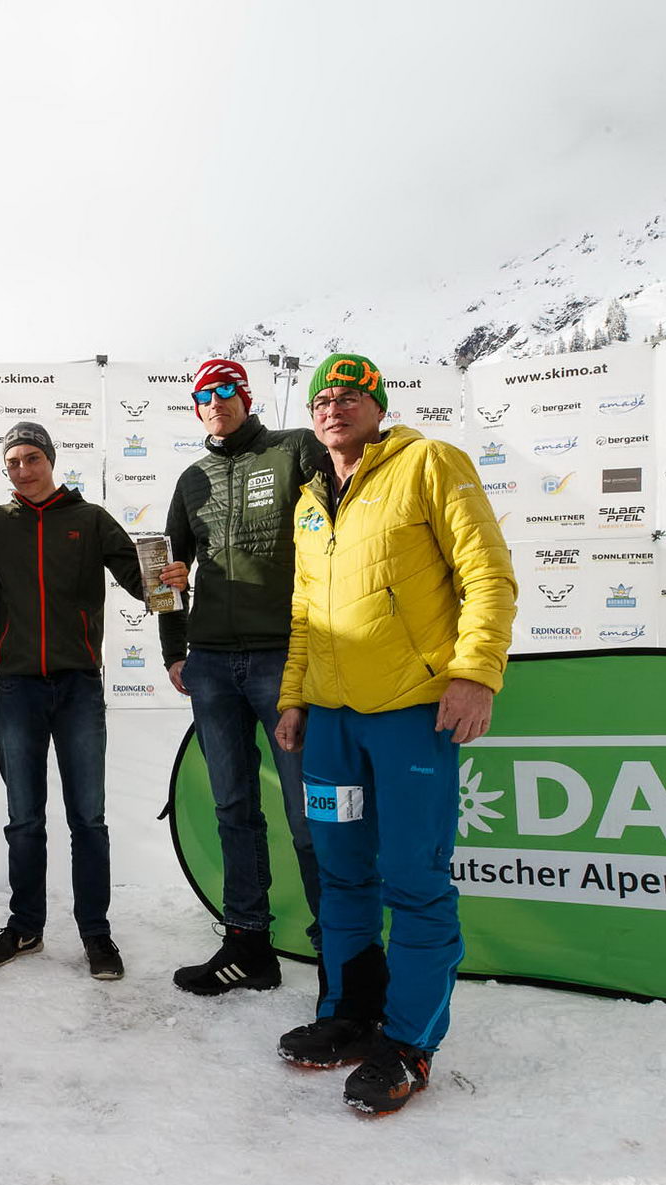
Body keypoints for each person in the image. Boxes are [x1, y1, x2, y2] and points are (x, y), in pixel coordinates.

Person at [271, 353, 516, 1115]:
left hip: (413, 715)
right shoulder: (312, 501)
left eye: (350, 396)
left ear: (378, 407)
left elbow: (488, 574)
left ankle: (408, 1042)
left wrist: (475, 672)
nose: (334, 408)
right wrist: (293, 697)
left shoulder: (430, 464)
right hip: (333, 726)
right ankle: (350, 1015)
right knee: (342, 872)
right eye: (323, 400)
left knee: (413, 879)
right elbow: (307, 614)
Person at [158, 358, 330, 998]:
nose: (218, 400)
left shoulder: (294, 450)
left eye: (228, 389)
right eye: (206, 393)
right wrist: (175, 648)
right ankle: (248, 943)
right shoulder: (190, 477)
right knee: (233, 806)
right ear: (195, 407)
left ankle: (337, 952)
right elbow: (167, 570)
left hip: (283, 658)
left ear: (246, 396)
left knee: (306, 812)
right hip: (209, 663)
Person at [0, 422, 145, 980]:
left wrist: (165, 577)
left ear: (50, 460)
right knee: (24, 818)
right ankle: (25, 925)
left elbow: (140, 577)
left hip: (77, 685)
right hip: (17, 686)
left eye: (31, 459)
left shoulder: (88, 519)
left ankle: (96, 934)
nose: (23, 470)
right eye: (13, 463)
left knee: (87, 819)